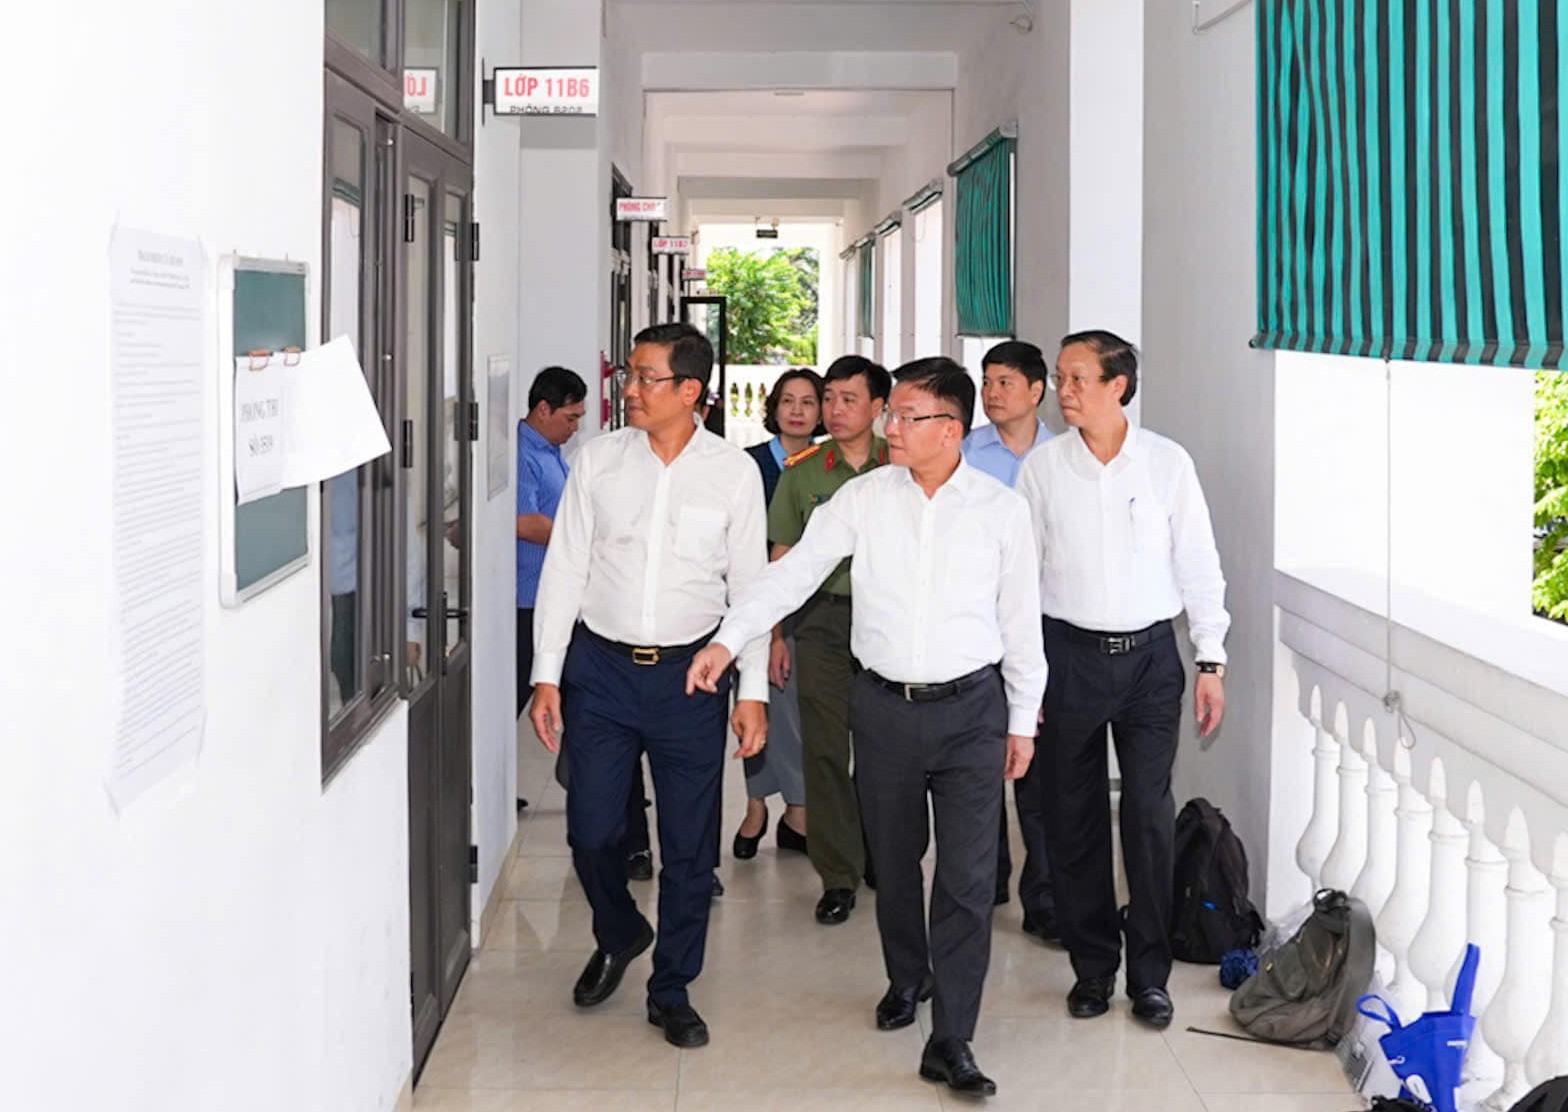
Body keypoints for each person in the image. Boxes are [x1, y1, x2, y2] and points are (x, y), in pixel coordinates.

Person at [687, 357, 1045, 1098]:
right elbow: (790, 574)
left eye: (905, 416)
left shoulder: (1001, 511)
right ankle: (906, 978)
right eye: (892, 415)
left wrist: (1022, 717)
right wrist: (730, 638)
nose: (890, 427)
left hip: (972, 711)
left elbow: (1021, 624)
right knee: (895, 857)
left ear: (950, 429)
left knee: (971, 876)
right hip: (882, 707)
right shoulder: (862, 500)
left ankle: (954, 1036)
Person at [528, 322, 769, 1049]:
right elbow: (565, 569)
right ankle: (620, 929)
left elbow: (750, 588)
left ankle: (672, 987)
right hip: (599, 672)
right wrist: (547, 677)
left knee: (690, 846)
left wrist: (750, 688)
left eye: (644, 378)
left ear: (690, 391)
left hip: (692, 678)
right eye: (628, 377)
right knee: (591, 829)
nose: (628, 389)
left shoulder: (732, 473)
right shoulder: (600, 461)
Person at [1015, 330, 1229, 1030]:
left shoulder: (1166, 464)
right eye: (1060, 377)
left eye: (1077, 378)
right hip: (1066, 656)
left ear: (1119, 386)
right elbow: (1019, 577)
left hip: (1149, 663)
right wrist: (1023, 678)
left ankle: (1150, 974)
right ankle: (1092, 968)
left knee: (1146, 816)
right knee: (1072, 818)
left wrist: (1210, 658)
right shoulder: (1043, 470)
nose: (1064, 391)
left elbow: (1198, 561)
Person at [766, 354, 890, 925]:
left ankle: (882, 858)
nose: (833, 411)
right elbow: (780, 561)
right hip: (821, 622)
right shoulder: (804, 471)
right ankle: (837, 873)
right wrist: (775, 637)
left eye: (847, 400)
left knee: (888, 748)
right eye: (830, 399)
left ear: (879, 407)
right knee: (824, 747)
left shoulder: (904, 465)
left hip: (891, 620)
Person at [961, 340, 1057, 934]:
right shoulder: (967, 454)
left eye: (1004, 383)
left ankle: (1043, 894)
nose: (992, 394)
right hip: (977, 625)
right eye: (987, 382)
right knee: (978, 757)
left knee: (1038, 763)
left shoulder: (1064, 456)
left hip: (1048, 626)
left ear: (1035, 391)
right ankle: (986, 875)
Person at [734, 369, 822, 859]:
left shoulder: (825, 464)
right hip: (758, 607)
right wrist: (770, 630)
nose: (797, 411)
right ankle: (757, 806)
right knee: (757, 704)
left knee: (793, 715)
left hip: (812, 608)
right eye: (788, 401)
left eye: (808, 402)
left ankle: (796, 808)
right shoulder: (749, 465)